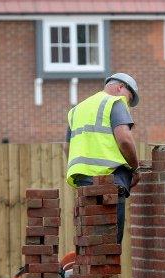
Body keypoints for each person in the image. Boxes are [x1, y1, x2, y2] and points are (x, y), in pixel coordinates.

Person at [65, 73, 141, 244]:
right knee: (109, 245)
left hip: (83, 182)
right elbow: (125, 139)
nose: (127, 103)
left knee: (90, 242)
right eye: (129, 99)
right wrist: (135, 168)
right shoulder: (115, 102)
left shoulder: (77, 109)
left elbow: (67, 147)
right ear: (120, 87)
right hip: (109, 181)